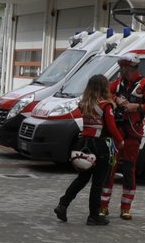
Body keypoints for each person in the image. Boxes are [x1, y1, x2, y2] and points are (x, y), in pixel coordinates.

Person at [53, 74, 123, 226]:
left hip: (84, 144)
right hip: (100, 145)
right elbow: (111, 127)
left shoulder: (84, 104)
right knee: (98, 182)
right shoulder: (106, 106)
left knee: (82, 178)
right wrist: (120, 141)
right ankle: (94, 216)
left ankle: (63, 204)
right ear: (105, 87)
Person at [102, 54, 145, 220]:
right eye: (122, 69)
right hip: (116, 131)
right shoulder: (117, 84)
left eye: (125, 69)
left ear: (133, 69)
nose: (122, 72)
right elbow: (105, 94)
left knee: (129, 168)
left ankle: (125, 208)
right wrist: (115, 98)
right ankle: (103, 206)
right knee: (110, 167)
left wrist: (137, 106)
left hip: (133, 132)